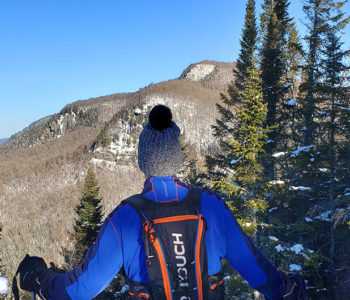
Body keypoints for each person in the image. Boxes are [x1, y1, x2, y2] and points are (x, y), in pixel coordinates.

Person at [15, 105, 307, 300]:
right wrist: (288, 288)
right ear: (176, 158)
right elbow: (258, 273)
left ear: (144, 161)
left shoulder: (126, 218)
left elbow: (79, 290)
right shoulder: (212, 207)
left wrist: (42, 279)